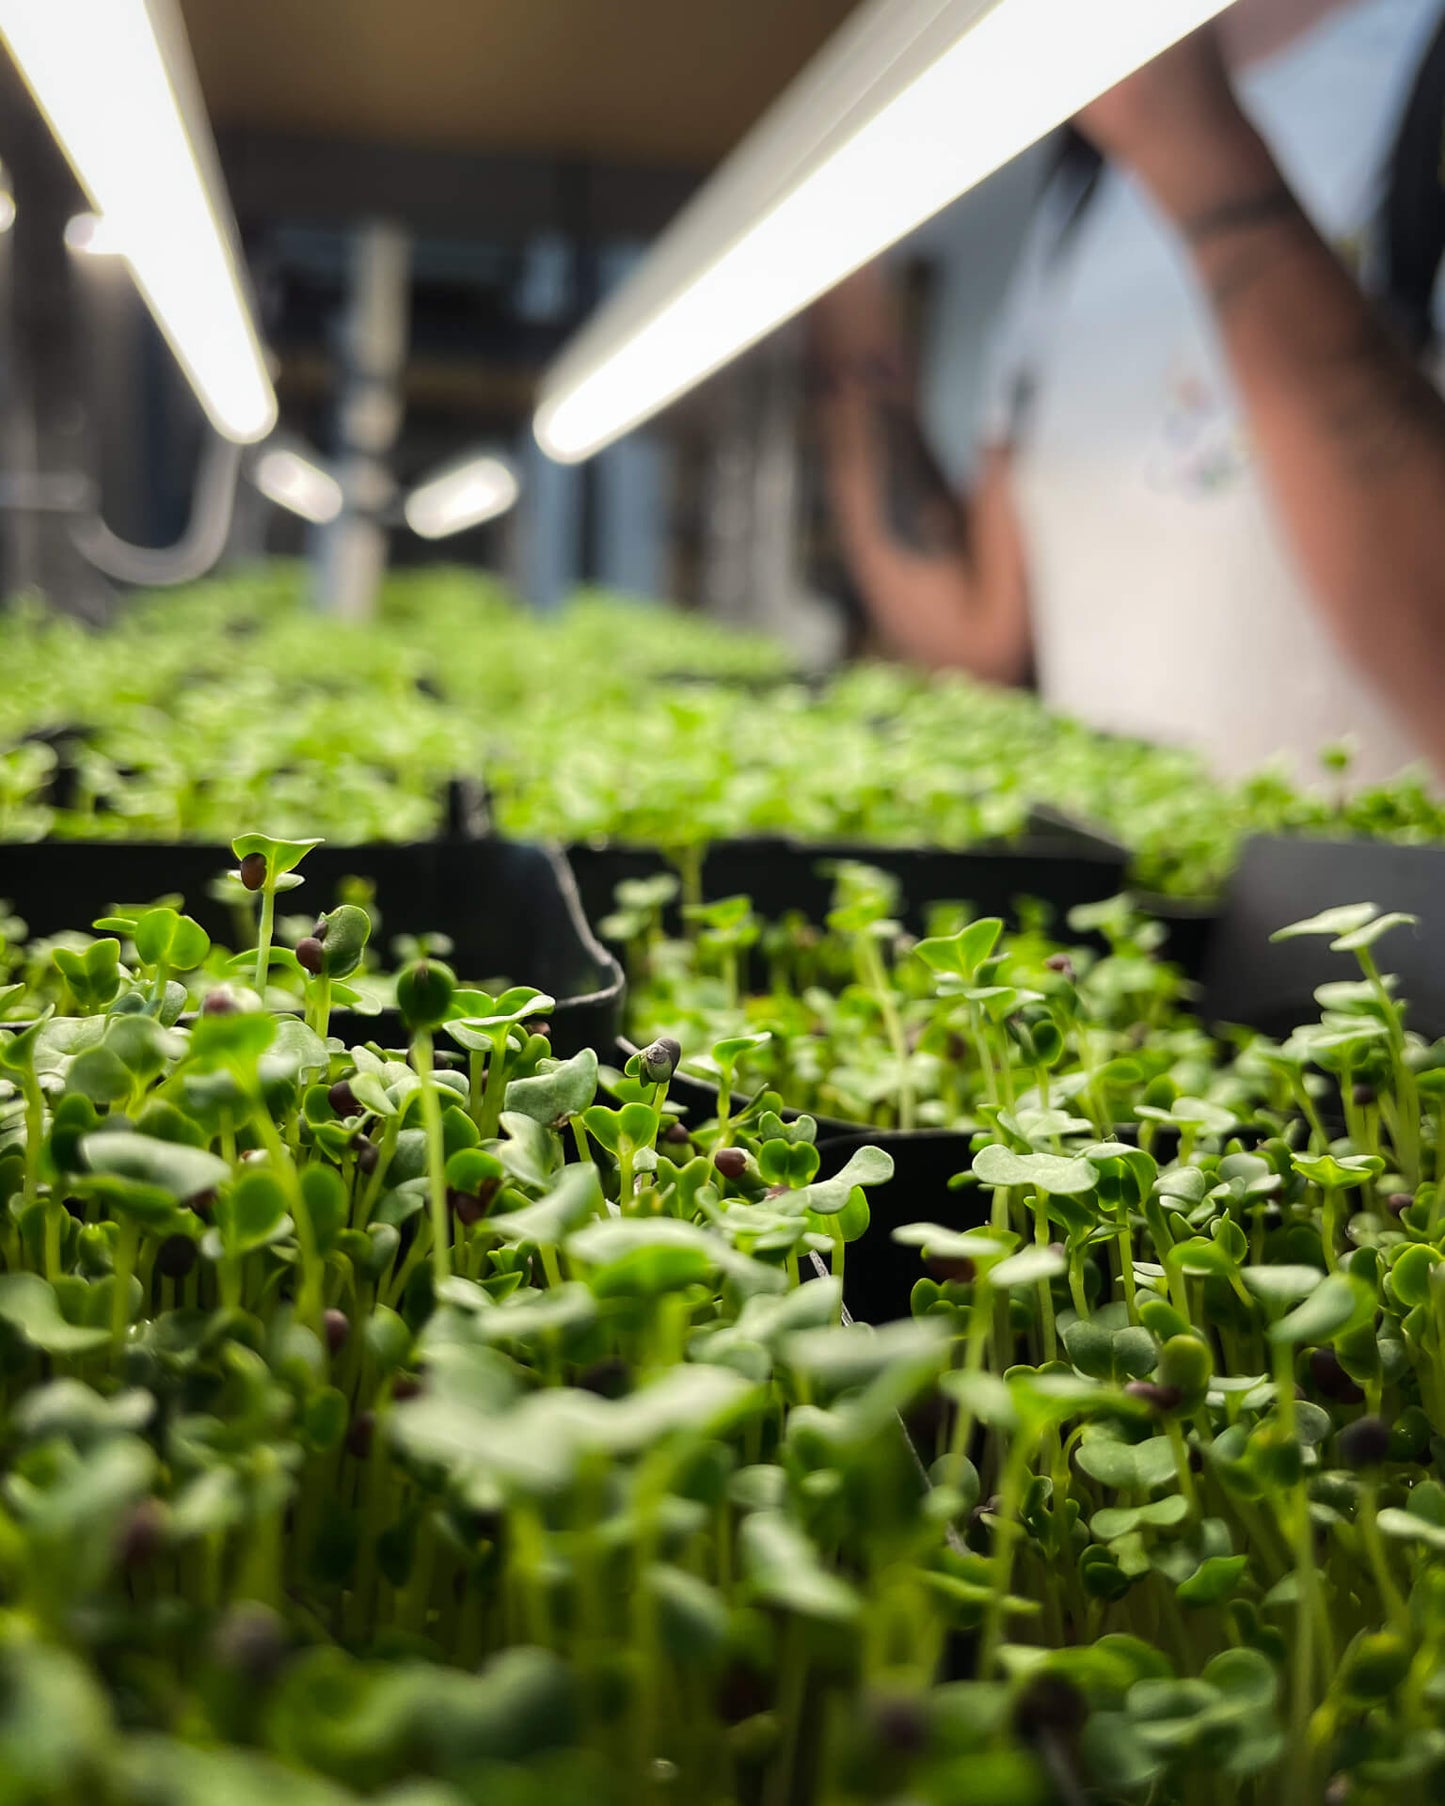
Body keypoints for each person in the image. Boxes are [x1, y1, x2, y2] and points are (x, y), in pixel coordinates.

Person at [812, 0, 1445, 782]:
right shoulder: (1085, 167)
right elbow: (975, 639)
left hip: (1394, 901)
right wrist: (840, 286)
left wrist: (1191, 142)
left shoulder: (1411, 64)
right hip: (1144, 893)